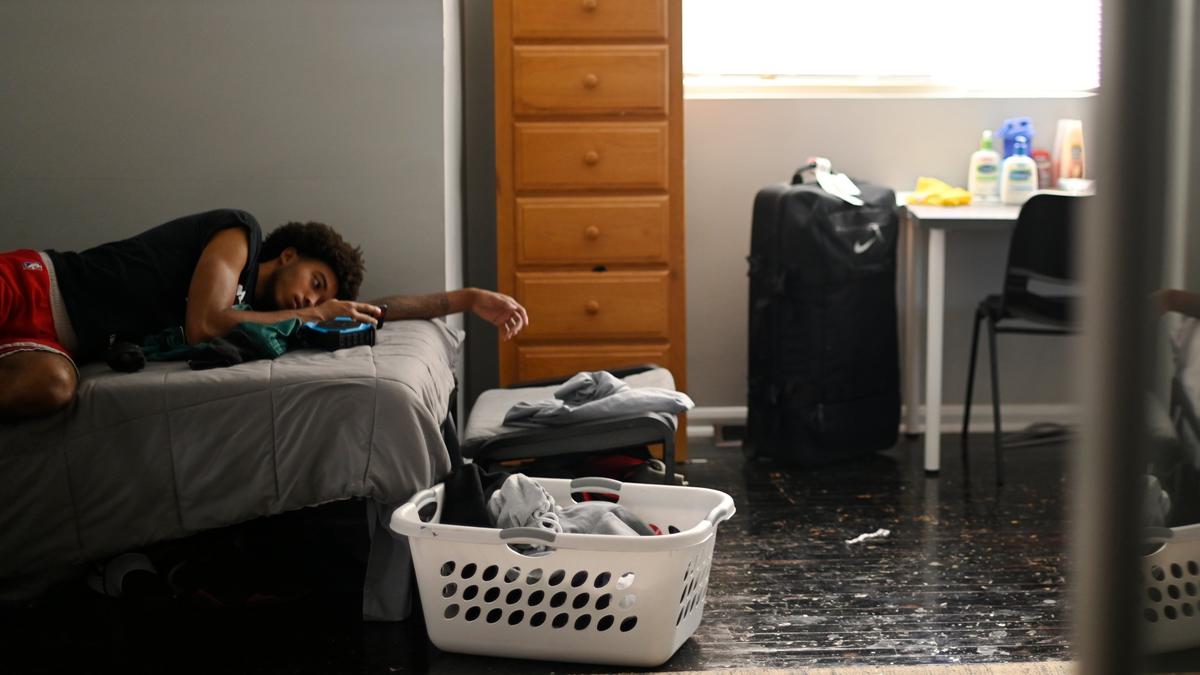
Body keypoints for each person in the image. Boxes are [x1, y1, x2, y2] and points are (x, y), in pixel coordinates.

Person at [0, 209, 528, 421]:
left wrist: (464, 298)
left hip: (55, 343)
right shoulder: (238, 234)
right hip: (32, 284)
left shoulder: (251, 314)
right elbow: (202, 324)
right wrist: (320, 308)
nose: (309, 301)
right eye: (316, 283)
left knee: (52, 388)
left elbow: (378, 309)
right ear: (290, 255)